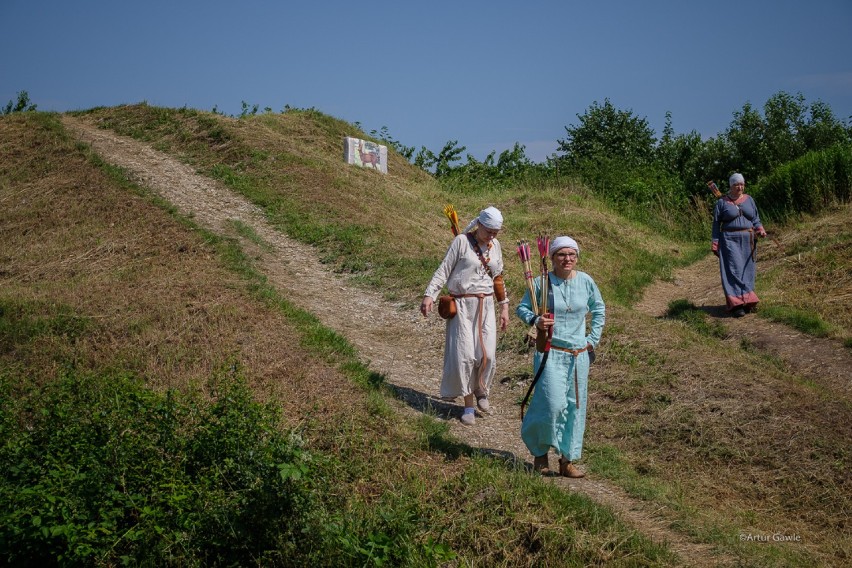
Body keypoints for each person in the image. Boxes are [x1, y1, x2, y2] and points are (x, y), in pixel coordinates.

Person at [516, 236, 605, 477]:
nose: (567, 259)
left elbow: (599, 309)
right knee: (551, 405)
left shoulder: (586, 281)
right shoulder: (541, 283)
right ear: (553, 257)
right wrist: (536, 320)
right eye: (561, 255)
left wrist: (592, 340)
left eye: (571, 255)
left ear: (577, 257)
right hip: (551, 353)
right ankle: (540, 454)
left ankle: (567, 460)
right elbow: (522, 308)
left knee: (576, 407)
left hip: (578, 356)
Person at [421, 206, 510, 426]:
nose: (491, 236)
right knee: (466, 356)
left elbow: (497, 278)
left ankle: (482, 389)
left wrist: (504, 306)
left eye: (495, 233)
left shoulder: (495, 246)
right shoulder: (461, 242)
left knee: (487, 353)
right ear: (479, 224)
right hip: (462, 307)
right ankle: (468, 405)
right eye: (488, 231)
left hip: (486, 305)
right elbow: (444, 269)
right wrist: (429, 295)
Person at [711, 173, 767, 318]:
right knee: (734, 270)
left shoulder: (749, 200)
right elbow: (716, 224)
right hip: (729, 240)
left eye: (742, 184)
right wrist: (715, 242)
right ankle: (736, 304)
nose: (740, 187)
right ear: (731, 186)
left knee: (747, 270)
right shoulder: (722, 202)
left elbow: (755, 218)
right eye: (737, 185)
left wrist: (760, 229)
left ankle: (747, 301)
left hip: (748, 239)